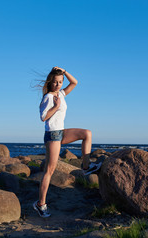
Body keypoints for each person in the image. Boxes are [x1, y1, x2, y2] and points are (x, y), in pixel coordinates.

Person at [33, 66, 102, 218]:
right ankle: (40, 204)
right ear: (50, 82)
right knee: (49, 171)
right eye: (55, 82)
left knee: (87, 134)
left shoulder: (61, 94)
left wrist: (64, 71)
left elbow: (75, 82)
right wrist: (56, 106)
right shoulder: (48, 97)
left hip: (61, 132)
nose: (58, 85)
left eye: (60, 82)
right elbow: (43, 117)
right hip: (52, 135)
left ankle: (86, 166)